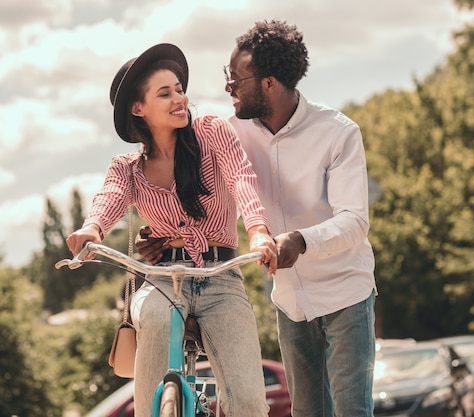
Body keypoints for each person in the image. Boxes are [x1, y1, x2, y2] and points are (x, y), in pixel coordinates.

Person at [137, 20, 377, 417]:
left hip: (346, 294)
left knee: (352, 411)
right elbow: (184, 180)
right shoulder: (227, 133)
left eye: (236, 77)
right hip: (290, 301)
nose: (228, 86)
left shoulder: (338, 133)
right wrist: (162, 231)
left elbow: (355, 221)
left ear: (268, 83)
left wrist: (296, 241)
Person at [65, 43, 276, 417]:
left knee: (248, 403)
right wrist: (92, 229)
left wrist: (258, 231)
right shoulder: (128, 168)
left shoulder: (213, 132)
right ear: (138, 108)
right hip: (161, 280)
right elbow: (109, 198)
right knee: (158, 327)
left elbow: (242, 179)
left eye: (179, 89)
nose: (179, 98)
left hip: (221, 278)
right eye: (165, 93)